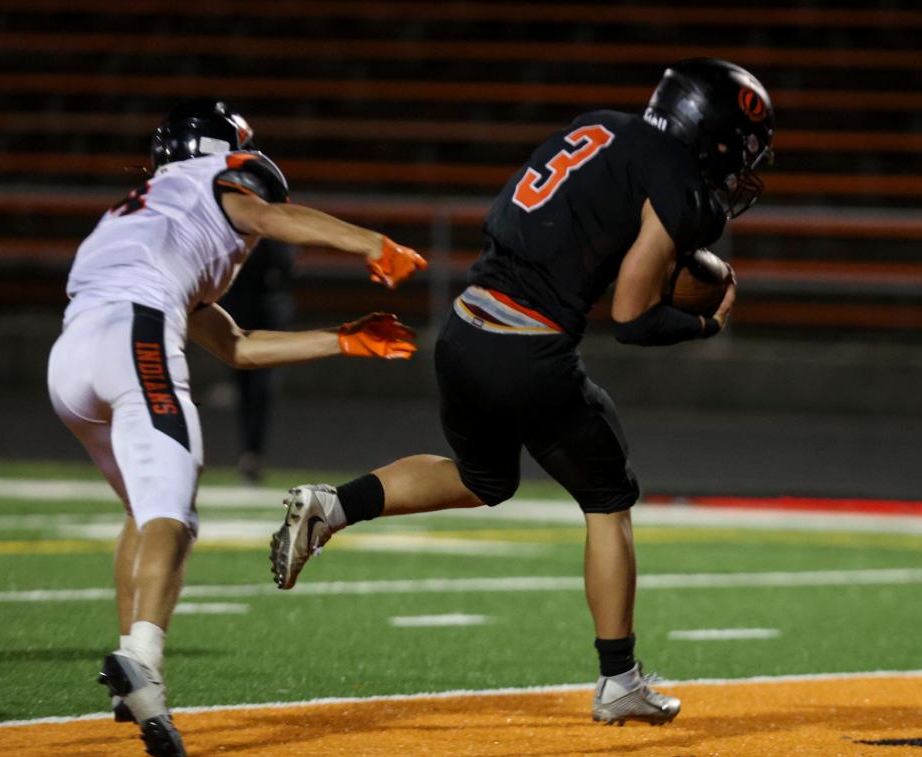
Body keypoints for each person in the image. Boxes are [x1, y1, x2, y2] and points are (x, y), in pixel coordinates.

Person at [268, 58, 775, 725]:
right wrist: (705, 319)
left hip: (465, 327)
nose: (738, 168)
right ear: (711, 134)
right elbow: (631, 316)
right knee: (607, 494)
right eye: (738, 152)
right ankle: (619, 678)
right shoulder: (680, 181)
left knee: (484, 476)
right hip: (528, 346)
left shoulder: (600, 126)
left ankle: (333, 506)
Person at [46, 99, 426, 757]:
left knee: (145, 509)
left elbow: (239, 345)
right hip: (133, 331)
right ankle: (141, 656)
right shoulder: (214, 184)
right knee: (173, 509)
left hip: (69, 362)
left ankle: (133, 671)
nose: (248, 238)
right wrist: (373, 244)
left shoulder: (148, 216)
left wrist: (340, 339)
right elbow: (272, 217)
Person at [217, 237, 296, 484]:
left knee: (261, 387)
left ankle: (253, 452)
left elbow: (284, 266)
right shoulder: (233, 229)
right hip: (238, 310)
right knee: (244, 387)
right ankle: (249, 452)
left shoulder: (272, 231)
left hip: (266, 312)